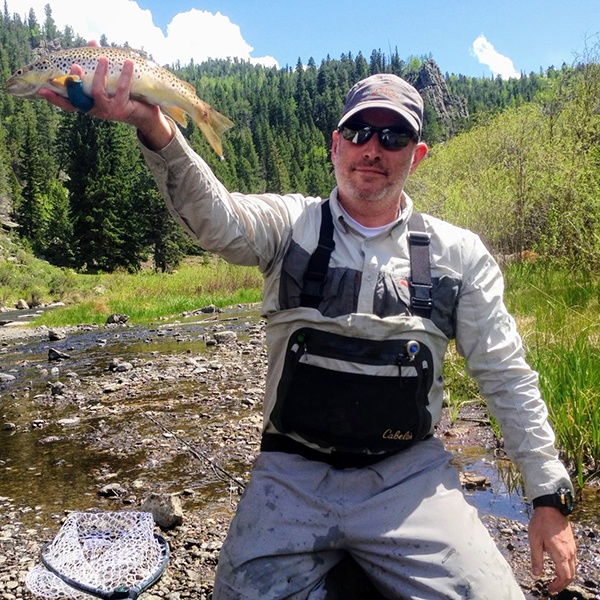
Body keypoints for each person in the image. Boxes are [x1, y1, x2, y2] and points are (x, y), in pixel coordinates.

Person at [41, 57, 577, 599]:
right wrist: (153, 126)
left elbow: (506, 375)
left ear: (416, 156)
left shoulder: (459, 255)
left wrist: (548, 498)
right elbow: (217, 219)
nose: (373, 147)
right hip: (290, 475)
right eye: (359, 131)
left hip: (410, 481)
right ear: (335, 143)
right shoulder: (288, 226)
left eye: (393, 136)